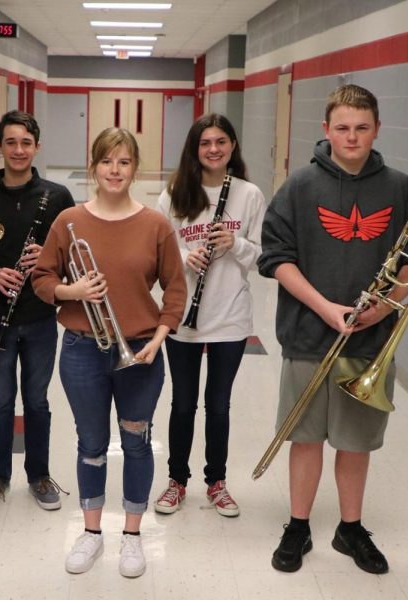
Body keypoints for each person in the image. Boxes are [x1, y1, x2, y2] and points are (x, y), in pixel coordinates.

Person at [257, 84, 408, 574]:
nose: (352, 137)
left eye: (362, 128)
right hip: (308, 334)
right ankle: (298, 525)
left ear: (377, 129)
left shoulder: (399, 187)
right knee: (305, 437)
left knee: (355, 441)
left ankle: (350, 528)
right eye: (342, 128)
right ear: (326, 129)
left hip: (370, 341)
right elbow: (276, 259)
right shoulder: (299, 186)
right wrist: (325, 307)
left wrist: (383, 307)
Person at [32, 128, 187, 578]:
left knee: (136, 442)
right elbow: (42, 278)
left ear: (134, 169)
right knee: (92, 444)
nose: (114, 171)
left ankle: (134, 535)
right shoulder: (69, 221)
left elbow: (175, 290)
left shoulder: (156, 225)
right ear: (94, 167)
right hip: (82, 349)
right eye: (106, 162)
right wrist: (71, 289)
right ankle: (92, 532)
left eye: (123, 162)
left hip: (140, 349)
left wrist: (160, 338)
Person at [153, 114, 266, 517]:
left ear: (233, 146)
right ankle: (176, 482)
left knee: (219, 405)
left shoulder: (249, 195)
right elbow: (158, 254)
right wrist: (187, 255)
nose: (213, 149)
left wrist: (233, 244)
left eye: (221, 141)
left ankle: (216, 482)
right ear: (194, 148)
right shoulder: (173, 195)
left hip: (230, 316)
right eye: (205, 143)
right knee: (183, 404)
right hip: (183, 315)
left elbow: (261, 255)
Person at [0, 110, 75, 511]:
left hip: (41, 316)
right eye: (10, 142)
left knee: (37, 400)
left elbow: (73, 257)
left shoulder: (58, 197)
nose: (18, 150)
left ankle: (39, 475)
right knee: (0, 400)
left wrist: (48, 256)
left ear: (37, 147)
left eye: (26, 143)